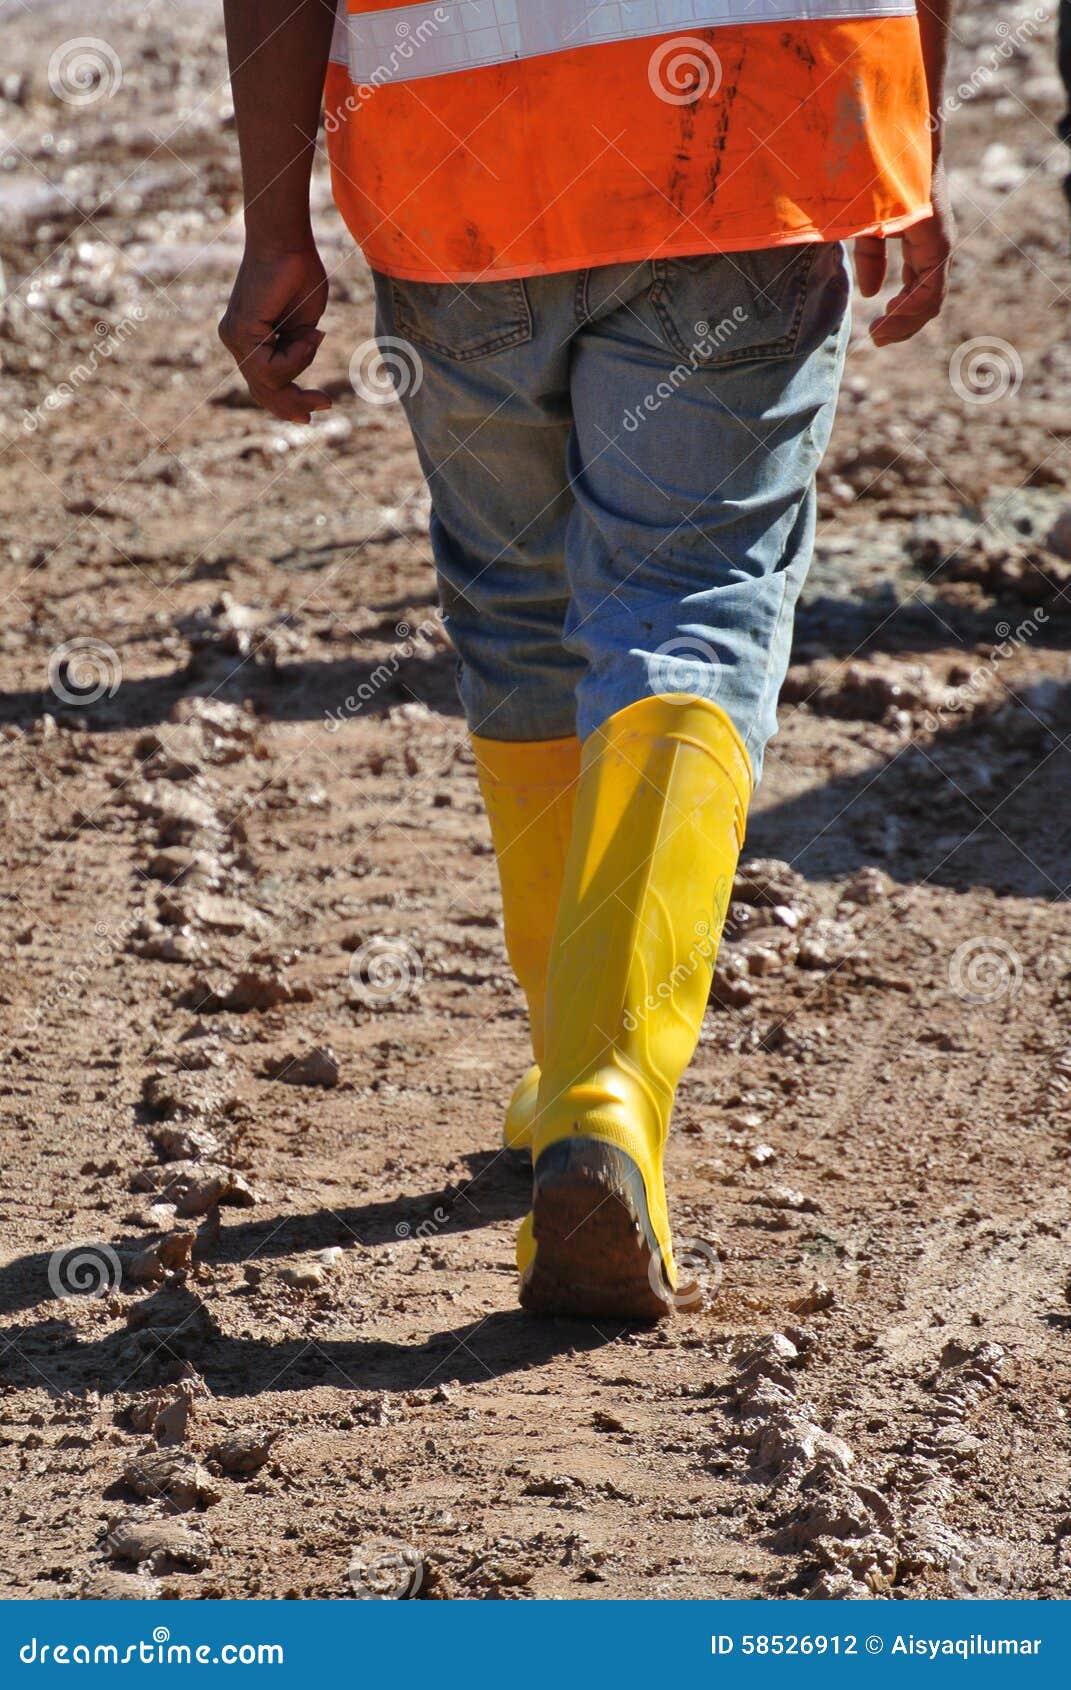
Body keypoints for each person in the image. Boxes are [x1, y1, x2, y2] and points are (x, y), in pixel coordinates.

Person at [220, 0, 953, 1321]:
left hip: (461, 149)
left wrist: (274, 224)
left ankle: (574, 1068)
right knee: (692, 595)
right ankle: (603, 1089)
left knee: (519, 606)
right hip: (760, 115)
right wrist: (911, 129)